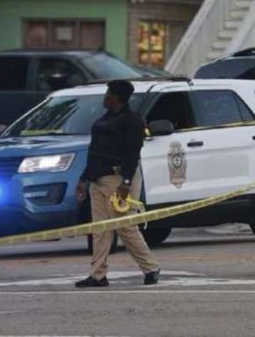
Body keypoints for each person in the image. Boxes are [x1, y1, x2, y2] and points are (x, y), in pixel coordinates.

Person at [75, 79, 160, 288]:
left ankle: (150, 268)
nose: (105, 97)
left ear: (116, 98)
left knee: (125, 227)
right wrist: (84, 179)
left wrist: (126, 182)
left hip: (119, 179)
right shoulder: (103, 120)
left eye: (108, 94)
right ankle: (97, 275)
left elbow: (133, 154)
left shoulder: (133, 121)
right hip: (98, 179)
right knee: (100, 229)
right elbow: (94, 154)